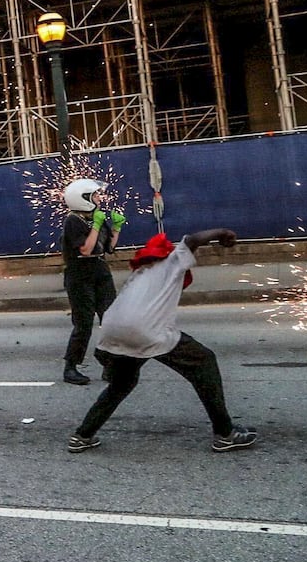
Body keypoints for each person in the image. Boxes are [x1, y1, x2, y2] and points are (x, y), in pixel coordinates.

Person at [68, 229, 258, 454]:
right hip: (147, 331)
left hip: (112, 330)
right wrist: (222, 233)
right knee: (204, 361)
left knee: (121, 384)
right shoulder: (171, 260)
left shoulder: (141, 271)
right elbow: (191, 240)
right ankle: (225, 433)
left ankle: (82, 435)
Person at [59, 179, 125, 385]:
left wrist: (116, 228)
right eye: (94, 195)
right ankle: (71, 367)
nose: (99, 198)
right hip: (80, 275)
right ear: (83, 199)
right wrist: (96, 224)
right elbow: (86, 249)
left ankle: (109, 364)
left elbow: (108, 249)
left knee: (111, 319)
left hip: (100, 272)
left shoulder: (96, 217)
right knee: (84, 324)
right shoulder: (73, 221)